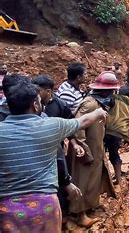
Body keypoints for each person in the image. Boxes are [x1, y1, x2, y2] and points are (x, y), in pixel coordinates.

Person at [0, 79, 107, 232]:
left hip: (7, 208)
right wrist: (98, 112)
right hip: (45, 206)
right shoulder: (52, 125)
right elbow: (83, 121)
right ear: (35, 105)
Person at [69, 71, 118, 227]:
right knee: (82, 180)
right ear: (104, 90)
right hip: (86, 150)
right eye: (111, 91)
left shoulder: (100, 104)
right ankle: (79, 214)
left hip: (96, 147)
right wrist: (83, 148)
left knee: (94, 179)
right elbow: (78, 127)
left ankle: (90, 205)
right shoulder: (90, 104)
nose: (113, 94)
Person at [32, 75, 84, 219]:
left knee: (60, 183)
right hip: (34, 152)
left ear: (48, 91)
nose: (35, 94)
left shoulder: (60, 106)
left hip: (56, 152)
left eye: (38, 91)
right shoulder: (29, 106)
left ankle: (63, 217)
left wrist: (74, 143)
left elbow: (69, 126)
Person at [105, 85, 129, 185]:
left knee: (102, 155)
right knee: (114, 155)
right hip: (119, 132)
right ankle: (119, 180)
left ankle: (105, 180)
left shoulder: (111, 97)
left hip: (104, 130)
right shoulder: (128, 102)